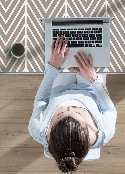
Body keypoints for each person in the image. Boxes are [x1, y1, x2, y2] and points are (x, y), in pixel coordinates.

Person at [29, 35, 117, 172]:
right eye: (77, 113)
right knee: (94, 47)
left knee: (58, 51)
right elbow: (109, 110)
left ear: (50, 132)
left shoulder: (38, 130)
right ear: (89, 130)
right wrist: (93, 79)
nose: (69, 106)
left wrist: (53, 67)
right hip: (90, 88)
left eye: (61, 114)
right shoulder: (105, 132)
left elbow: (41, 100)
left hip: (58, 89)